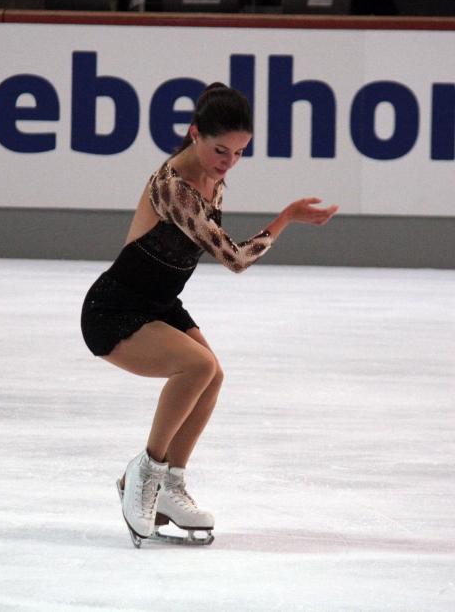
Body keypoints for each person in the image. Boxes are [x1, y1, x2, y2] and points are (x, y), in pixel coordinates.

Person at [80, 83, 338, 547]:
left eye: (239, 153)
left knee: (212, 375)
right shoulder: (173, 187)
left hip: (159, 304)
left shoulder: (213, 178)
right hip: (114, 309)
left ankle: (169, 485)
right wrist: (286, 218)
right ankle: (143, 475)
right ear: (195, 134)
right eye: (221, 150)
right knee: (196, 365)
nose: (227, 162)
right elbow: (234, 259)